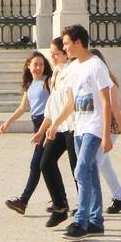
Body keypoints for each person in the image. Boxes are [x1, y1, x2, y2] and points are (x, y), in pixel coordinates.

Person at [45, 25, 113, 241]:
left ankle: (81, 220)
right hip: (79, 128)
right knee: (90, 172)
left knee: (81, 170)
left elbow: (106, 100)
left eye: (66, 43)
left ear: (78, 42)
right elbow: (71, 102)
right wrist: (55, 124)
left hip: (94, 127)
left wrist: (107, 134)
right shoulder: (73, 68)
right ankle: (96, 221)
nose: (64, 47)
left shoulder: (96, 65)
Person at [1, 50, 54, 215]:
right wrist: (8, 122)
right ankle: (59, 199)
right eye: (35, 64)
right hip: (36, 123)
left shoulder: (48, 81)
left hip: (46, 123)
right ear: (28, 66)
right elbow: (22, 107)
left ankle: (23, 201)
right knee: (46, 165)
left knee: (36, 165)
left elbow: (55, 103)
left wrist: (44, 128)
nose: (38, 67)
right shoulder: (30, 84)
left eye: (41, 64)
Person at [32, 37, 76, 227]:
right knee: (46, 163)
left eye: (56, 53)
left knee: (78, 172)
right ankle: (60, 206)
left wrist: (55, 124)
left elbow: (70, 103)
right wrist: (42, 130)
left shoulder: (72, 72)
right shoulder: (55, 73)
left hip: (72, 127)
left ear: (65, 54)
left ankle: (87, 210)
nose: (52, 56)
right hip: (57, 127)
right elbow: (52, 105)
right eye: (51, 53)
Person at [89, 50, 121, 215]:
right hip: (97, 127)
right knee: (104, 166)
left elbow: (116, 109)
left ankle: (90, 206)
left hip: (110, 128)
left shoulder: (109, 82)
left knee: (93, 166)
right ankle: (119, 198)